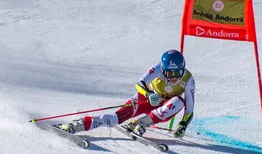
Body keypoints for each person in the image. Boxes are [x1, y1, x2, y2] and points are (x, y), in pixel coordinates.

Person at [57, 49, 195, 138]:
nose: (173, 77)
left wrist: (182, 125)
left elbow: (189, 109)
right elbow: (139, 84)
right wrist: (148, 94)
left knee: (178, 102)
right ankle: (78, 125)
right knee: (117, 117)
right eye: (169, 73)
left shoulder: (189, 80)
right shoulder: (157, 68)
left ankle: (143, 123)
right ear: (163, 69)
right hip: (145, 100)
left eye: (177, 73)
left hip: (163, 109)